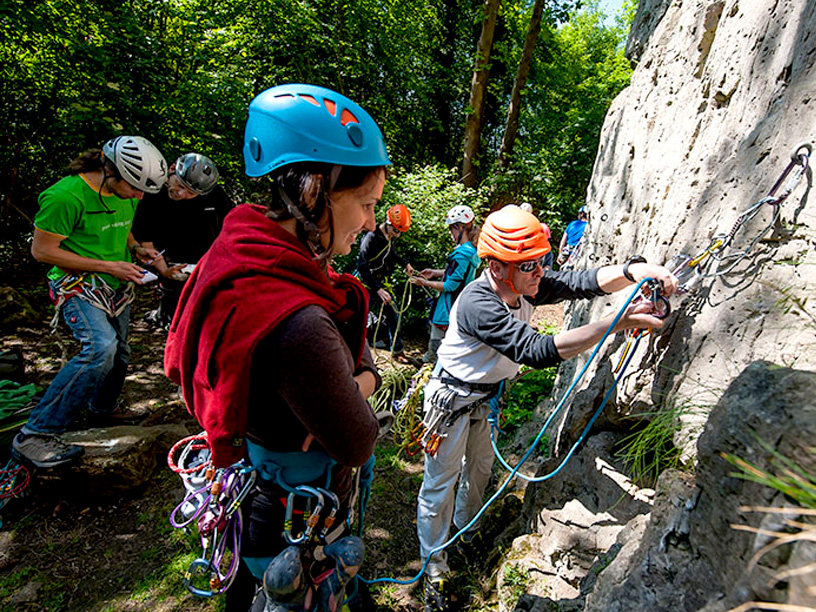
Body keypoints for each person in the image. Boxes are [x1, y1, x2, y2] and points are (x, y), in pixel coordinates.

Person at [164, 84, 389, 611]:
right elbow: (358, 438)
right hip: (297, 509)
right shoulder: (300, 323)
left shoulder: (240, 247)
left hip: (252, 491)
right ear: (315, 192)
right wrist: (360, 384)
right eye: (365, 203)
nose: (372, 223)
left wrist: (348, 382)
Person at [415, 205, 678, 612]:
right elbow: (536, 350)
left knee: (481, 470)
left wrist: (632, 272)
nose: (541, 270)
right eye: (530, 264)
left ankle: (465, 532)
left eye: (542, 260)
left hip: (482, 399)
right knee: (440, 483)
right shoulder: (477, 303)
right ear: (500, 268)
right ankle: (434, 566)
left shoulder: (526, 284)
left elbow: (583, 281)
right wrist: (618, 322)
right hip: (450, 401)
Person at [11, 136, 167, 469]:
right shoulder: (65, 197)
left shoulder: (127, 191)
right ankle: (34, 433)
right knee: (100, 349)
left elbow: (121, 224)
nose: (140, 196)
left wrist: (136, 248)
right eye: (135, 188)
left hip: (114, 284)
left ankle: (103, 408)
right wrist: (108, 266)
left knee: (121, 352)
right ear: (110, 171)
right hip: (79, 285)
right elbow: (42, 251)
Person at [131, 152, 233, 327]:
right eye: (179, 185)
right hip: (169, 262)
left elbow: (230, 227)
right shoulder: (152, 195)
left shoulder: (215, 195)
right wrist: (163, 270)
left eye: (190, 192)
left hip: (208, 261)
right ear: (171, 170)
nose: (180, 193)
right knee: (176, 318)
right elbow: (145, 240)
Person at [410, 205, 481, 365]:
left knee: (438, 346)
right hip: (459, 304)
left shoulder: (462, 254)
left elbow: (450, 285)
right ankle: (428, 362)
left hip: (448, 307)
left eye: (452, 229)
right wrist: (435, 272)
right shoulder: (470, 250)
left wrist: (424, 283)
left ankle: (430, 369)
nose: (450, 233)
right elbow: (458, 275)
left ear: (460, 228)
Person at [355, 204, 415, 362]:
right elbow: (362, 265)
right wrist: (378, 289)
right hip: (367, 282)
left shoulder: (388, 237)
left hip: (380, 282)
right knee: (360, 316)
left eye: (400, 232)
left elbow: (391, 255)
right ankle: (356, 352)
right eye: (396, 231)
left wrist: (405, 264)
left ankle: (397, 351)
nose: (397, 235)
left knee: (393, 315)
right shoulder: (371, 237)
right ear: (388, 223)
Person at [557, 205, 588, 269]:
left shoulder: (572, 224)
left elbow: (563, 241)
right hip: (578, 253)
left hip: (567, 251)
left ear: (581, 214)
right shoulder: (588, 226)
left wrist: (560, 254)